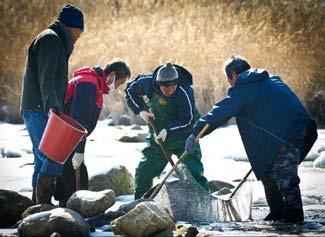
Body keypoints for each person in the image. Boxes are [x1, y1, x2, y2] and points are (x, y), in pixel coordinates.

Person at [185, 55, 318, 223]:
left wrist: (195, 133)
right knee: (268, 171)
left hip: (283, 136)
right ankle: (277, 214)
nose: (230, 84)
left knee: (285, 177)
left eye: (229, 79)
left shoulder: (244, 88)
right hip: (303, 129)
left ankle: (294, 221)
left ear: (233, 75)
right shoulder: (272, 80)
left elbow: (219, 112)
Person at [20, 4, 84, 204]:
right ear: (71, 26)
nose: (81, 34)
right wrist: (53, 107)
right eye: (80, 28)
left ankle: (36, 207)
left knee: (42, 157)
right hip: (39, 108)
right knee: (52, 156)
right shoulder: (50, 39)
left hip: (41, 107)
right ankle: (43, 204)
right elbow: (45, 78)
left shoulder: (55, 39)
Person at [125, 62, 209, 199]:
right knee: (144, 171)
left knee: (194, 173)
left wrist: (167, 131)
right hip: (157, 138)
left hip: (184, 138)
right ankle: (139, 203)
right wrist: (141, 111)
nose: (169, 91)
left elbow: (187, 120)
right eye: (165, 88)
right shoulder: (147, 83)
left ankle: (204, 202)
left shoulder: (185, 91)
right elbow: (130, 91)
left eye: (173, 87)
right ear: (158, 84)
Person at [54, 60, 131, 207]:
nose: (118, 87)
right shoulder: (88, 84)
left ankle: (71, 210)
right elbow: (79, 121)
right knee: (72, 176)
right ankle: (69, 212)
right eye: (119, 83)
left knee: (77, 174)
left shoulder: (93, 83)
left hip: (70, 137)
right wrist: (79, 150)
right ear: (112, 75)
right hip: (67, 137)